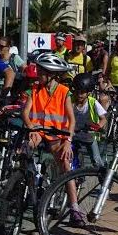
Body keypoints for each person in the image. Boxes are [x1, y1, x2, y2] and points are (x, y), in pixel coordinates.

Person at [21, 52, 81, 222]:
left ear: (51, 74)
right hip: (38, 131)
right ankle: (25, 181)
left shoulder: (64, 91)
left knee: (65, 165)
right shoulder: (34, 89)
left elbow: (71, 120)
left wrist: (68, 141)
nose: (37, 75)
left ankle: (74, 207)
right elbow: (25, 113)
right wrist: (31, 127)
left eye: (41, 72)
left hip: (57, 134)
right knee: (24, 149)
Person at [70, 72, 107, 168]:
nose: (79, 95)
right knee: (70, 158)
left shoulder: (93, 102)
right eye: (77, 92)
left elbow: (103, 119)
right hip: (74, 134)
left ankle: (103, 178)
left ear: (88, 92)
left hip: (89, 135)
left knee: (96, 160)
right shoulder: (70, 101)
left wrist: (97, 127)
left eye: (82, 92)